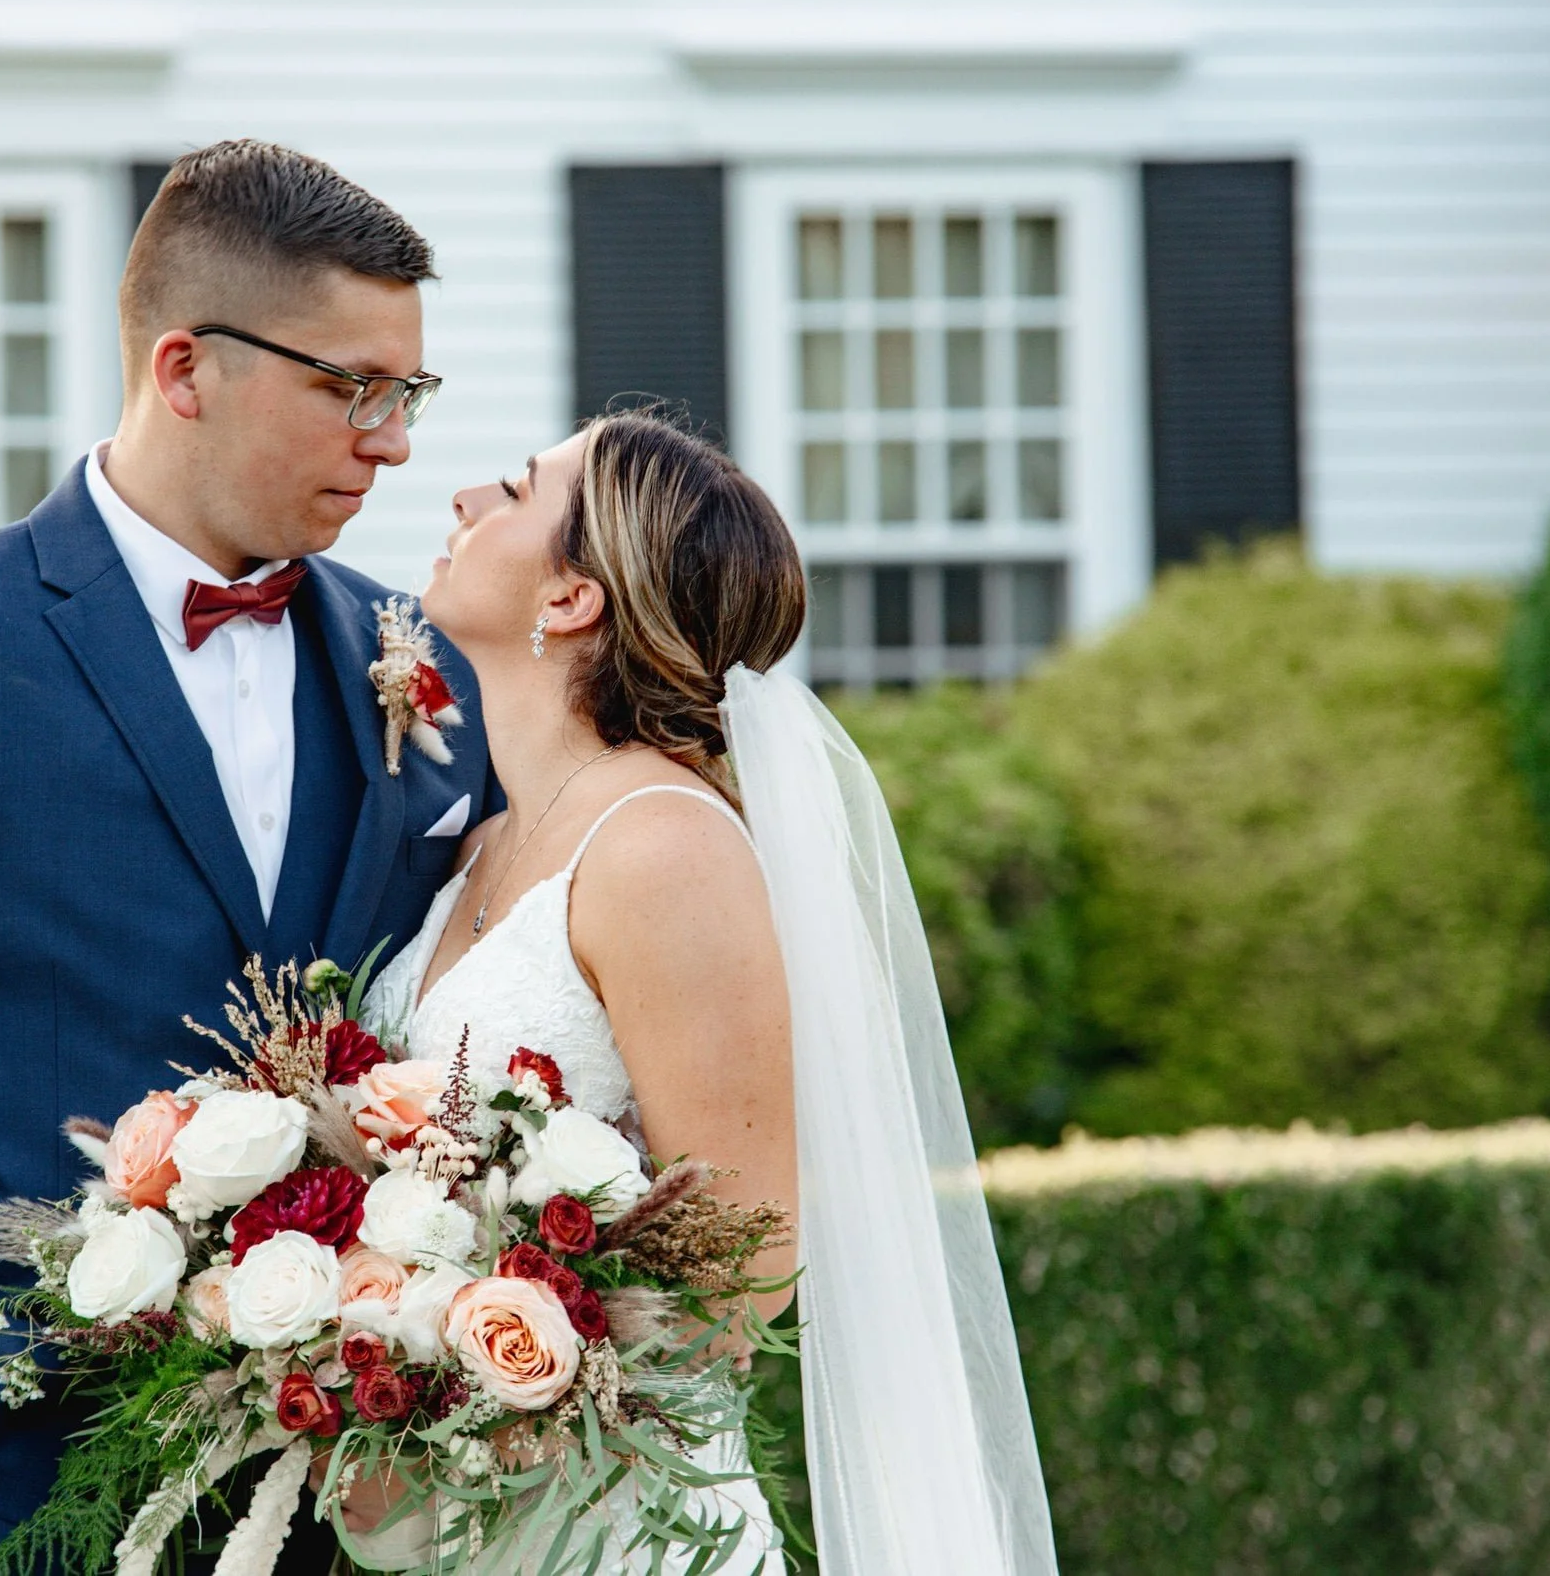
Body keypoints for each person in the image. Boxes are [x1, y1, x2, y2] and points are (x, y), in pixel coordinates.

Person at [0, 140, 491, 1576]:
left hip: (348, 1498)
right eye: (349, 387)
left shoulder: (413, 664)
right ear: (184, 367)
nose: (392, 442)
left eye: (406, 393)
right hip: (8, 1495)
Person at [356, 410, 1062, 1575]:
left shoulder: (661, 845)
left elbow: (743, 1268)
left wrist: (486, 1383)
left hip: (609, 1522)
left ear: (571, 597)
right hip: (446, 1518)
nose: (465, 505)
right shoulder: (480, 842)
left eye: (509, 490)